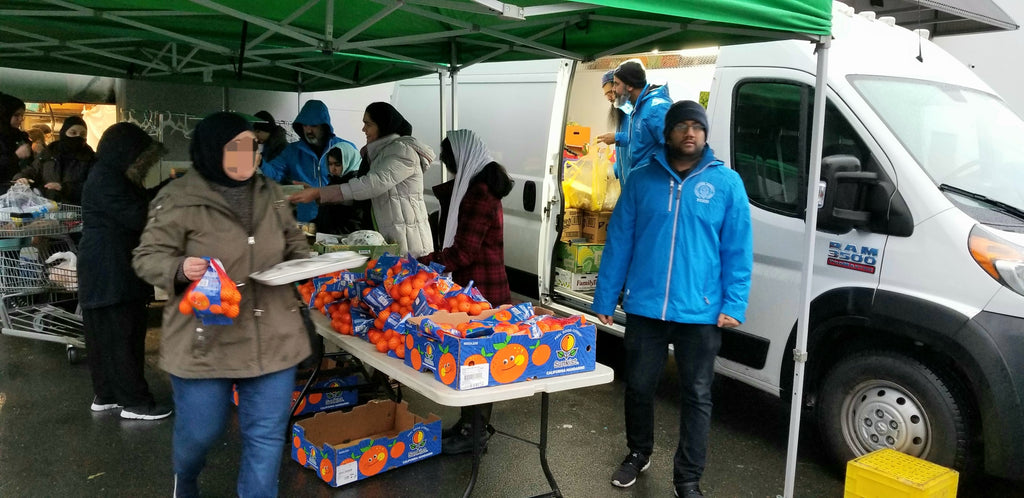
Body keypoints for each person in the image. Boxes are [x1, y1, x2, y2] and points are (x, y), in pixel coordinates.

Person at [132, 112, 311, 498]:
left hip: (274, 335)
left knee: (265, 438)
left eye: (253, 147)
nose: (249, 157)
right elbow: (146, 257)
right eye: (237, 148)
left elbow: (295, 245)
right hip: (206, 337)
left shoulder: (271, 193)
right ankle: (187, 477)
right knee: (201, 432)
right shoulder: (178, 197)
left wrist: (306, 264)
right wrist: (179, 268)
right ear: (214, 151)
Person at [592, 101, 753, 497]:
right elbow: (620, 241)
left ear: (705, 133)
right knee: (640, 387)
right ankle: (638, 452)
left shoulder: (726, 183)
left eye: (696, 126)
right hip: (646, 306)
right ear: (667, 133)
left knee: (697, 395)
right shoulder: (642, 180)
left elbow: (738, 249)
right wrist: (604, 298)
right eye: (681, 126)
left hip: (700, 311)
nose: (689, 133)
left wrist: (734, 304)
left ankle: (687, 478)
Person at [416, 130, 514, 454]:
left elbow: (464, 252)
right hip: (476, 288)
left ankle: (475, 432)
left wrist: (426, 263)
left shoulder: (479, 194)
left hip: (482, 292)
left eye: (451, 165)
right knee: (471, 361)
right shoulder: (473, 187)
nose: (451, 173)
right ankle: (469, 425)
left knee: (479, 362)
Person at [78, 122, 173, 421]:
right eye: (140, 158)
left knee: (105, 336)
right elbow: (139, 216)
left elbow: (140, 204)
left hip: (103, 268)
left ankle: (106, 394)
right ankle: (135, 402)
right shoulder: (108, 178)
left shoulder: (110, 175)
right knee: (124, 336)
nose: (142, 165)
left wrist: (164, 190)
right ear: (126, 153)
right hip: (111, 268)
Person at [289, 102, 435, 257]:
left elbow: (371, 185)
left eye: (368, 124)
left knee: (409, 281)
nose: (363, 129)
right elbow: (364, 197)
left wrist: (319, 192)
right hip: (389, 238)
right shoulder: (378, 154)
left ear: (383, 125)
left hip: (408, 243)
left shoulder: (402, 151)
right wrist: (319, 194)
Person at [260, 100, 359, 223]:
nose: (308, 130)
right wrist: (260, 163)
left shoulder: (345, 148)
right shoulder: (291, 151)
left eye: (314, 125)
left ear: (325, 126)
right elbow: (274, 173)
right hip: (306, 221)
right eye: (305, 125)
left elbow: (358, 184)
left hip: (340, 221)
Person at [595, 59, 672, 185]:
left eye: (616, 84)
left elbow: (676, 153)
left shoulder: (656, 108)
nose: (613, 91)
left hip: (650, 191)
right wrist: (612, 172)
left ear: (629, 85)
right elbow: (635, 150)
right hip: (637, 188)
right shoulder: (638, 111)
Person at [15, 116, 96, 204]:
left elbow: (94, 186)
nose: (78, 137)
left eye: (82, 134)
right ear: (64, 132)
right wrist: (22, 178)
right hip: (47, 208)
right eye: (73, 133)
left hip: (76, 210)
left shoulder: (90, 157)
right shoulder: (50, 151)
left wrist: (65, 188)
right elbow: (33, 170)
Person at [314, 147, 372, 235]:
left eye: (337, 164)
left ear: (348, 162)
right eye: (330, 164)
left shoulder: (356, 185)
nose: (332, 169)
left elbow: (356, 221)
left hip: (345, 241)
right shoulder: (333, 182)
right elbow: (326, 213)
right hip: (329, 238)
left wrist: (333, 235)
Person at [599, 69, 629, 178]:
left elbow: (641, 140)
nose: (609, 98)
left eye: (610, 92)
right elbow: (624, 158)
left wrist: (616, 138)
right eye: (606, 94)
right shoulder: (621, 114)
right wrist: (611, 173)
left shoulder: (634, 112)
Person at [0, 93, 32, 194]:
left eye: (22, 115)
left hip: (20, 191)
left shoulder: (21, 137)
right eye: (16, 115)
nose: (21, 119)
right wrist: (15, 156)